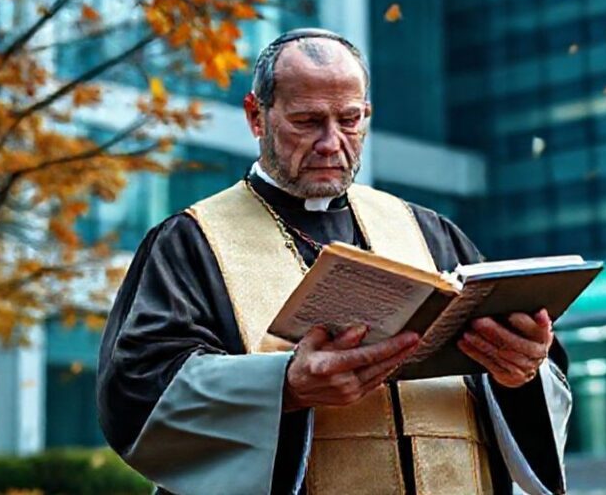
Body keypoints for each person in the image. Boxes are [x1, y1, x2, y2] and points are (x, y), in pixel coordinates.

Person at [96, 28, 572, 495]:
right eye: (307, 121)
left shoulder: (430, 232)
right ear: (256, 115)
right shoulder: (190, 242)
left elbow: (531, 385)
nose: (331, 143)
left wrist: (521, 372)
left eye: (349, 120)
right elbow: (139, 394)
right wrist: (284, 387)